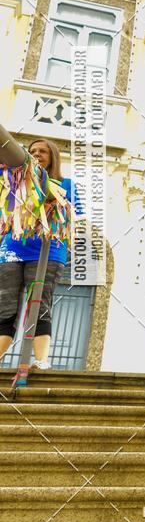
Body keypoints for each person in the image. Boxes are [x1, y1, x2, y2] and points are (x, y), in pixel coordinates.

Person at [0, 138, 75, 370]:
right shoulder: (12, 182)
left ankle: (41, 361)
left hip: (47, 252)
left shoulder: (66, 184)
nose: (37, 154)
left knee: (39, 305)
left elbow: (72, 214)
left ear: (53, 156)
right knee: (5, 307)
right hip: (12, 249)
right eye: (32, 151)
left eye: (43, 151)